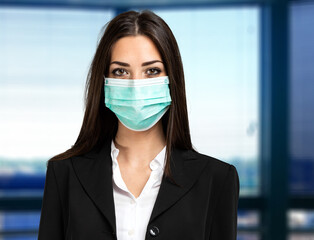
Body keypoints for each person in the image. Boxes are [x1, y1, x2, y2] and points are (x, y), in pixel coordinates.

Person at [37, 10, 239, 240]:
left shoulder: (217, 180)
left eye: (152, 71)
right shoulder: (64, 174)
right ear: (103, 82)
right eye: (120, 71)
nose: (136, 85)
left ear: (172, 80)